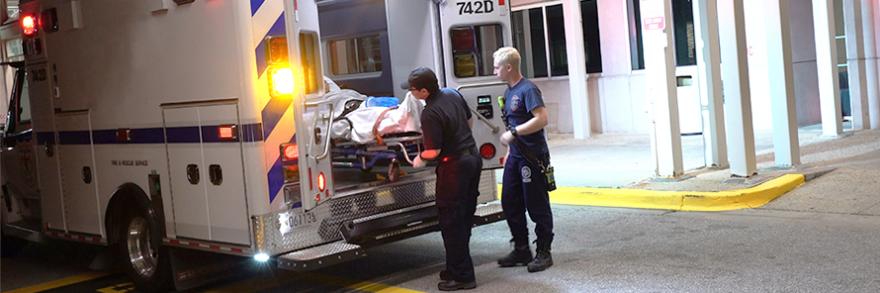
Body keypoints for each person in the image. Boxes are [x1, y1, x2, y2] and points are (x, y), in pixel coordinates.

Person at [405, 67, 482, 291]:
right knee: (464, 217)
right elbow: (469, 121)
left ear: (424, 91)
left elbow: (434, 151)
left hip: (454, 168)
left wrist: (418, 159)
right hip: (472, 159)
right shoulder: (452, 93)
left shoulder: (429, 113)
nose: (411, 93)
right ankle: (454, 268)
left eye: (413, 90)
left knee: (451, 222)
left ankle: (463, 277)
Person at [492, 47, 554, 273]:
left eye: (497, 67)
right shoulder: (509, 92)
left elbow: (542, 118)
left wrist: (514, 133)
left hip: (532, 157)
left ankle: (544, 252)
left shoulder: (528, 90)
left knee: (537, 205)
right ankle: (521, 249)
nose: (494, 71)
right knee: (510, 202)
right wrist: (510, 150)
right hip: (516, 157)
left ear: (508, 67)